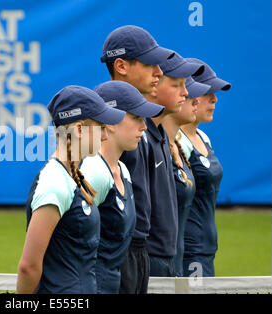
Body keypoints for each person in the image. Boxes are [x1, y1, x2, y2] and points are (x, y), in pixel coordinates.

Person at [16, 85, 126, 293]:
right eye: (100, 127)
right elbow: (28, 267)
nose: (105, 136)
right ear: (77, 129)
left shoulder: (74, 177)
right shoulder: (54, 183)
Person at [100, 24, 174, 294]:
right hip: (120, 258)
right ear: (121, 65)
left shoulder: (142, 128)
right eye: (149, 64)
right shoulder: (105, 130)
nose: (159, 72)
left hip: (142, 254)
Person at [80, 81, 164, 293]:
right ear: (110, 121)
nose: (144, 127)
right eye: (136, 118)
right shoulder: (92, 170)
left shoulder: (124, 171)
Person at [143, 52, 204, 277]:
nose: (187, 93)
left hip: (172, 262)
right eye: (177, 85)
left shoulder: (159, 138)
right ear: (155, 85)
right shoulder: (141, 140)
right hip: (149, 266)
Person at [179, 59, 231, 277]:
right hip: (188, 252)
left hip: (206, 249)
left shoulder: (204, 138)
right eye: (208, 92)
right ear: (189, 94)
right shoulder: (176, 143)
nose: (215, 99)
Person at [161, 77, 211, 276]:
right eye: (192, 96)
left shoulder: (181, 146)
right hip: (180, 255)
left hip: (188, 252)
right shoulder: (153, 146)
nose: (196, 100)